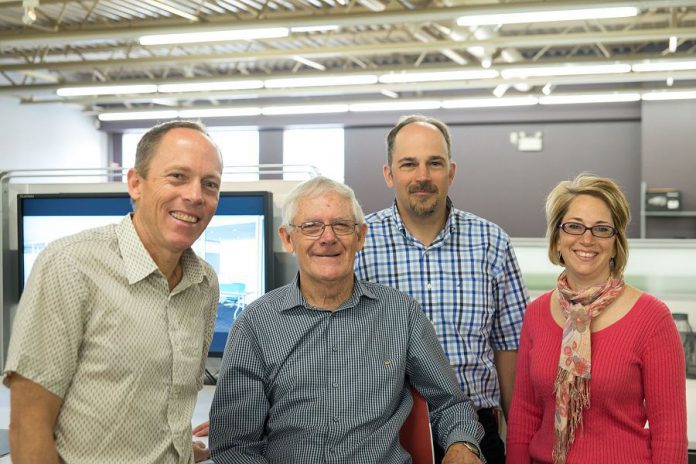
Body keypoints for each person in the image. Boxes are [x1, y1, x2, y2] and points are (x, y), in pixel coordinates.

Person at [209, 176, 485, 464]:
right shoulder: (255, 324)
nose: (328, 238)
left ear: (360, 237)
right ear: (288, 238)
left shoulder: (402, 315)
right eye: (311, 226)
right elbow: (233, 445)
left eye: (341, 225)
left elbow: (452, 403)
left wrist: (462, 444)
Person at [3, 120, 224, 464]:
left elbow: (166, 404)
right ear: (136, 183)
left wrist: (176, 449)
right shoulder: (70, 266)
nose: (195, 195)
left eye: (209, 184)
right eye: (177, 176)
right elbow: (28, 427)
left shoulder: (204, 283)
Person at [354, 114, 529, 463]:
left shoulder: (491, 243)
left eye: (434, 163)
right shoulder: (359, 244)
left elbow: (510, 347)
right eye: (409, 164)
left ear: (451, 172)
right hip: (386, 434)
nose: (422, 176)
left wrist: (519, 442)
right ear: (389, 174)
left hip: (478, 434)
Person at [506, 174, 687, 464]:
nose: (586, 239)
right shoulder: (537, 313)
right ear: (557, 237)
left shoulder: (653, 319)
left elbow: (670, 436)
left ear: (616, 244)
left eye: (601, 229)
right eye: (574, 226)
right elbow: (524, 415)